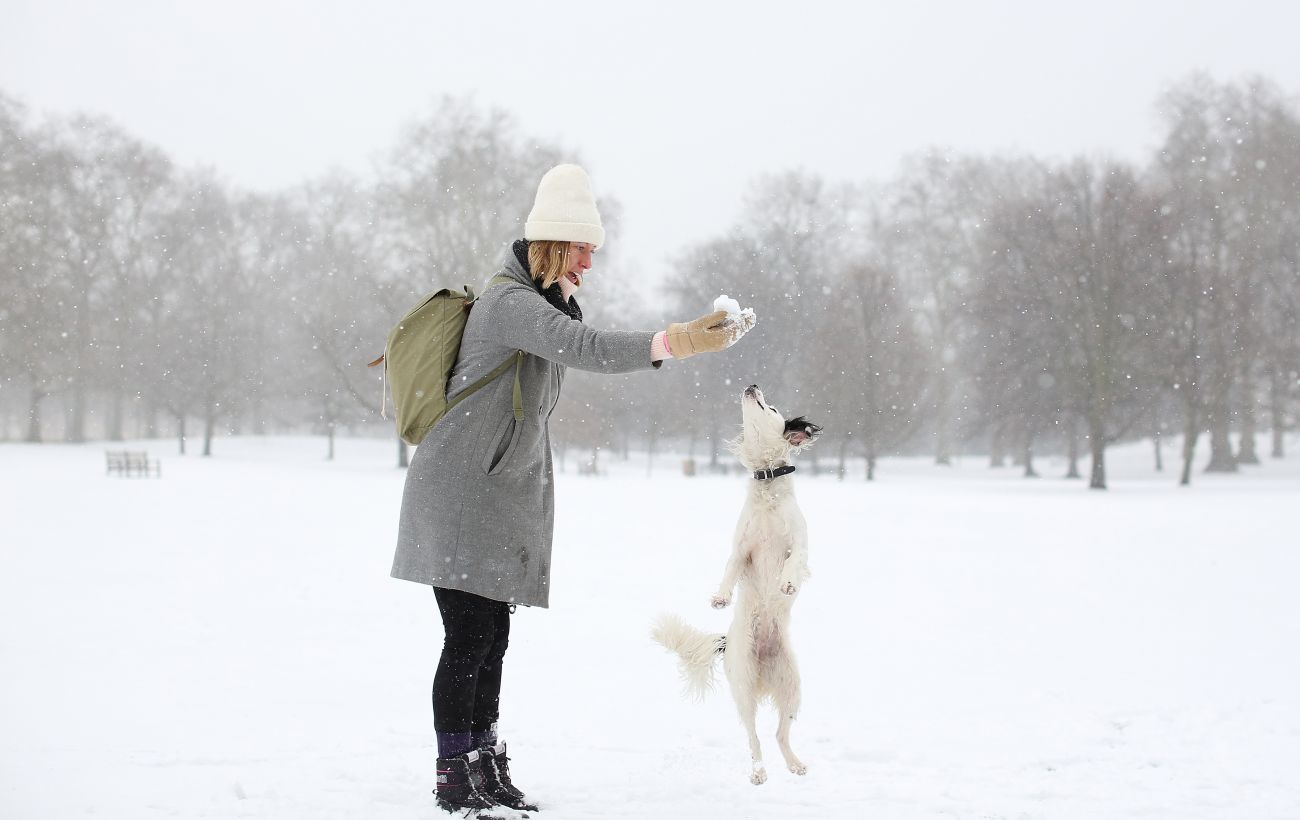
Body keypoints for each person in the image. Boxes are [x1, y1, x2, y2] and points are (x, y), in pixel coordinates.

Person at [391, 163, 749, 816]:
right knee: (469, 636)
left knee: (491, 635)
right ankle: (455, 773)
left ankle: (486, 762)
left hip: (494, 494)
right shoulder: (509, 303)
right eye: (584, 247)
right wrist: (679, 341)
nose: (589, 262)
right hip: (460, 491)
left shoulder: (539, 302)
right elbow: (585, 347)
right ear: (555, 241)